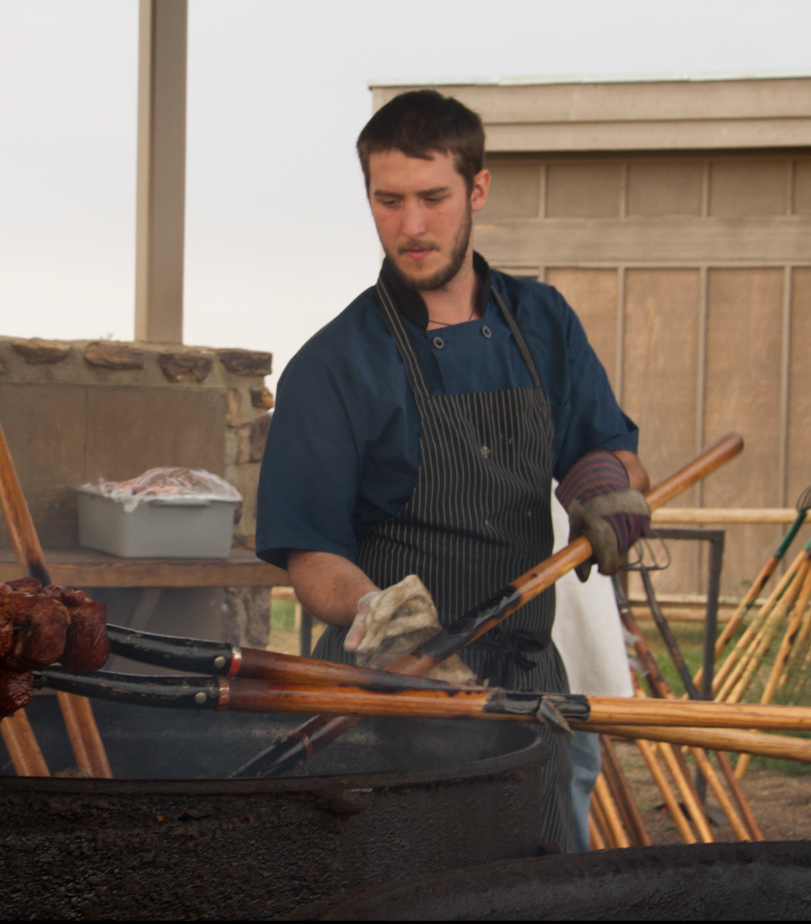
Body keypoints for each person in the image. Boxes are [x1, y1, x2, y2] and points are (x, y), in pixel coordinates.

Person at [255, 89, 650, 855]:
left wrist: (608, 487)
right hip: (395, 691)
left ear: (477, 189)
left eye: (433, 198)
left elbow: (608, 446)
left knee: (546, 899)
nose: (411, 225)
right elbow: (310, 558)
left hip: (533, 686)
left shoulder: (543, 323)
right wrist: (379, 614)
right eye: (388, 200)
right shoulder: (333, 366)